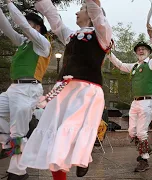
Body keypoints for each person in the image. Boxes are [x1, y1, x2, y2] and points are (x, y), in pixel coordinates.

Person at [19, 0, 112, 179]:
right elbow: (55, 21)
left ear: (91, 15)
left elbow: (97, 13)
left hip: (86, 90)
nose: (77, 12)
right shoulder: (71, 35)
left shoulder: (102, 33)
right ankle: (78, 160)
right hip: (63, 90)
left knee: (65, 131)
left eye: (82, 9)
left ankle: (83, 156)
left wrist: (92, 3)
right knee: (52, 135)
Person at [0, 0, 51, 178]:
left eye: (29, 24)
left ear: (37, 28)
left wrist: (9, 3)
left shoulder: (42, 44)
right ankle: (8, 143)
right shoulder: (23, 43)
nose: (25, 26)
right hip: (14, 88)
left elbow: (22, 25)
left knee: (19, 132)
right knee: (14, 132)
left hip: (29, 89)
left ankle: (18, 172)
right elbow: (6, 28)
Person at [107, 24, 152, 172]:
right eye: (138, 49)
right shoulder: (135, 67)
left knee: (141, 132)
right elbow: (119, 65)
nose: (141, 50)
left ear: (149, 52)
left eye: (143, 48)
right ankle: (145, 151)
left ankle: (144, 159)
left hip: (148, 101)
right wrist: (109, 53)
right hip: (135, 102)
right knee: (132, 132)